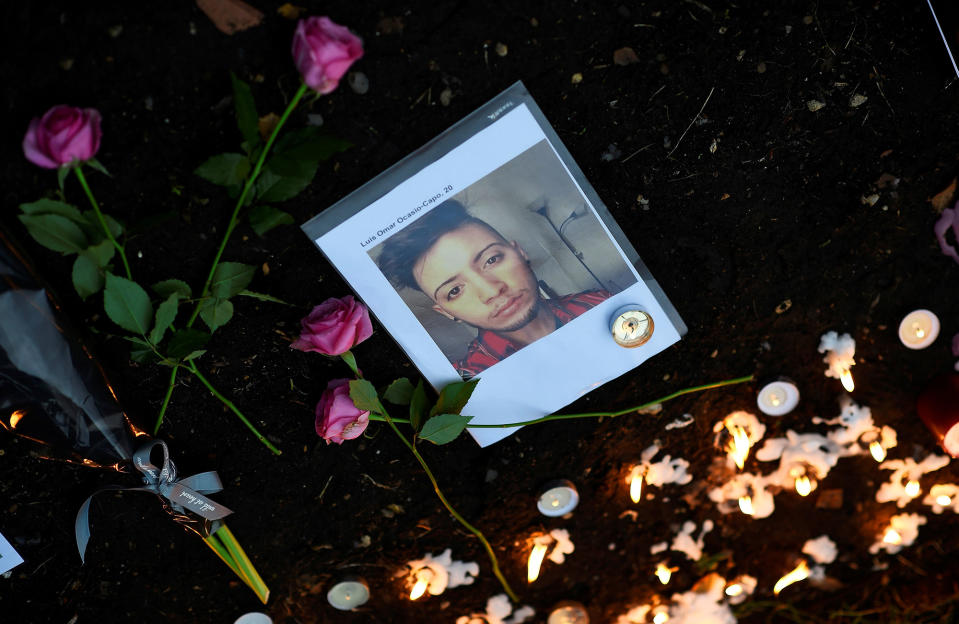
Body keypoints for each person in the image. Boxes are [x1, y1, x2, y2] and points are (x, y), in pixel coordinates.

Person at [377, 200, 609, 378]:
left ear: (520, 253)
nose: (491, 291)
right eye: (455, 291)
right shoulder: (468, 385)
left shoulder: (598, 304)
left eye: (491, 260)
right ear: (447, 312)